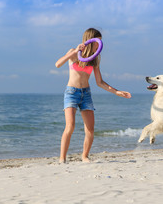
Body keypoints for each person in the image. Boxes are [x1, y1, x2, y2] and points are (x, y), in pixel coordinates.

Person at [55, 28, 132, 163]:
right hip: (71, 93)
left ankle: (84, 156)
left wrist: (117, 91)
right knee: (70, 126)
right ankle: (62, 158)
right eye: (98, 41)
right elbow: (57, 64)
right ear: (91, 40)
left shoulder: (94, 59)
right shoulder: (73, 52)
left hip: (86, 94)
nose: (100, 44)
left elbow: (100, 82)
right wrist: (74, 52)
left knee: (90, 128)